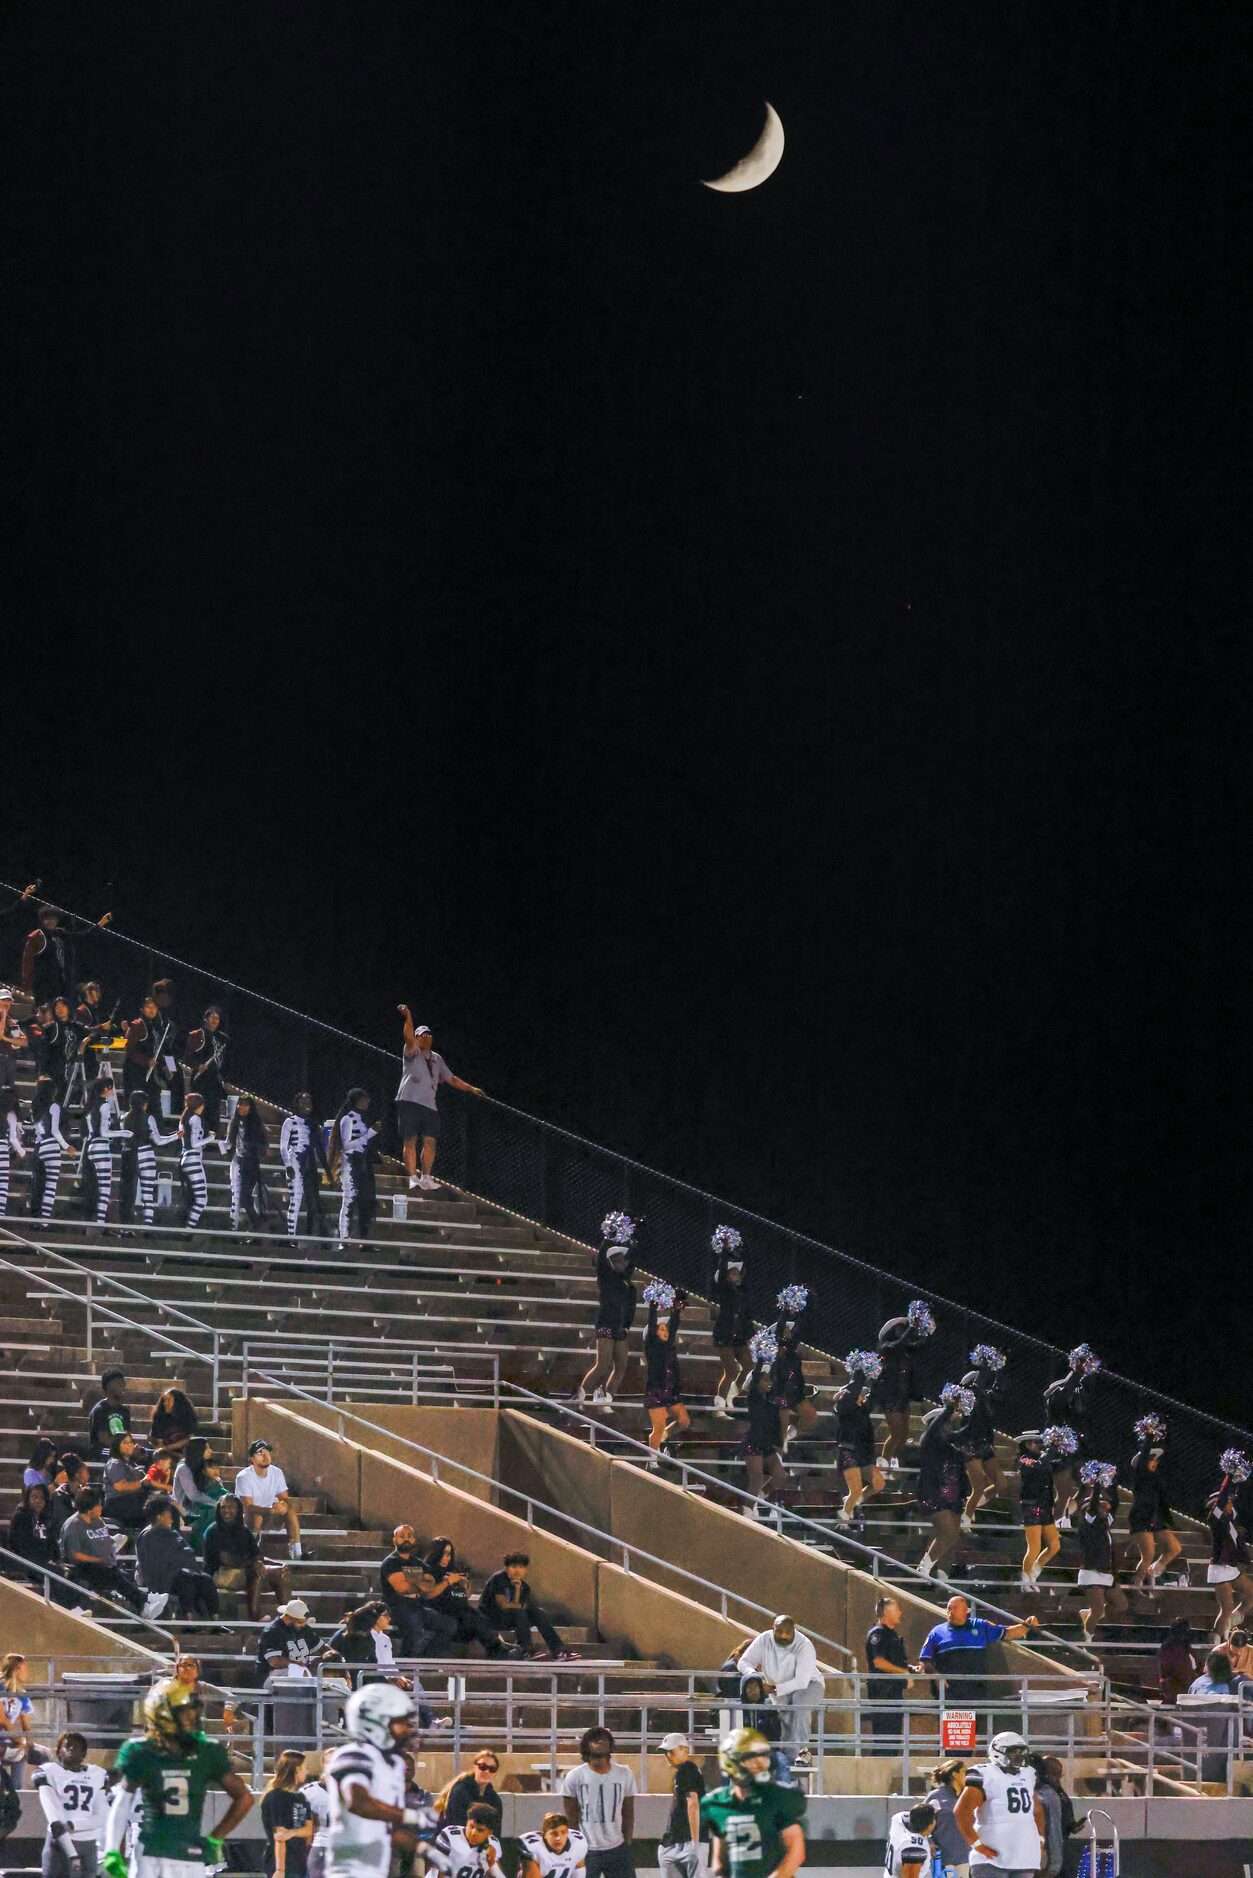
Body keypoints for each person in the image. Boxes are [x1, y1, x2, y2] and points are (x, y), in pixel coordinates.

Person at [102, 1678, 252, 1878]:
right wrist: (215, 1839)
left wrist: (112, 1849)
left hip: (163, 1852)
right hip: (169, 1852)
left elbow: (121, 1803)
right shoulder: (203, 1751)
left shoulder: (141, 1750)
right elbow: (245, 1798)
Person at [324, 1685, 439, 1878]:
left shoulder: (390, 1763)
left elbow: (385, 1826)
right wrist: (410, 1817)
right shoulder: (355, 1754)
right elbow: (358, 1803)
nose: (404, 1729)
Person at [395, 1008, 483, 1192]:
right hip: (409, 1101)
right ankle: (413, 1177)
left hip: (429, 1105)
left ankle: (426, 1177)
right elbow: (408, 1036)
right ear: (417, 1038)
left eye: (429, 1035)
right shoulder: (412, 1051)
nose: (426, 1037)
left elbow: (451, 1079)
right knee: (410, 1140)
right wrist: (409, 1017)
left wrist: (471, 1088)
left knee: (430, 1141)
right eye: (422, 1035)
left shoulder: (437, 1059)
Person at [700, 1728, 806, 1878]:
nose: (760, 1765)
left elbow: (796, 1852)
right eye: (752, 1759)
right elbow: (719, 1861)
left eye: (763, 1757)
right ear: (732, 1761)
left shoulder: (777, 1797)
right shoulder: (717, 1803)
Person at [323, 1602, 436, 1727]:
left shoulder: (368, 1639)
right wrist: (344, 1675)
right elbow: (330, 1657)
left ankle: (416, 1720)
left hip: (363, 1682)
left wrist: (390, 1680)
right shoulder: (344, 1636)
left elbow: (373, 1665)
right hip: (344, 1683)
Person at [736, 1615, 825, 1769]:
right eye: (779, 1632)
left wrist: (774, 1688)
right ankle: (787, 1758)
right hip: (778, 1687)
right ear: (773, 1629)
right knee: (784, 1716)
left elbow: (801, 1681)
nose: (783, 1636)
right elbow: (744, 1662)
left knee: (798, 1706)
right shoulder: (764, 1640)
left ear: (794, 1631)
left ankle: (802, 1754)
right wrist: (755, 1677)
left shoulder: (804, 1645)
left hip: (810, 1684)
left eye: (788, 1632)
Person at [919, 1597, 1040, 1708]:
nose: (950, 1611)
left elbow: (1008, 1633)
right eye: (948, 1608)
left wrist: (1027, 1626)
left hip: (977, 1691)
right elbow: (925, 1659)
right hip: (950, 1692)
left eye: (955, 1608)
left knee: (978, 1728)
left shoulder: (980, 1625)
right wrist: (935, 1675)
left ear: (965, 1611)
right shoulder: (937, 1632)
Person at [953, 1733, 1046, 1876]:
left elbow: (1037, 1811)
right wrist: (976, 1845)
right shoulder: (985, 1773)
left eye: (1021, 1752)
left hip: (1024, 1856)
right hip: (992, 1857)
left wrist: (1039, 1839)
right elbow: (961, 1811)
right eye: (1013, 1752)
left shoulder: (1028, 1774)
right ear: (998, 1752)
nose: (1019, 1756)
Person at [60, 1486, 155, 1617]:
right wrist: (98, 1560)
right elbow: (74, 1554)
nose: (101, 1508)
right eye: (98, 1505)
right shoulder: (73, 1525)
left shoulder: (98, 1521)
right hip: (81, 1568)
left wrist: (111, 1546)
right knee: (113, 1575)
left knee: (123, 1575)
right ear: (88, 1509)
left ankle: (144, 1606)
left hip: (102, 1565)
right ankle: (144, 1602)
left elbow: (104, 1541)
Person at [577, 1214, 638, 1411]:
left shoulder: (629, 1285)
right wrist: (609, 1236)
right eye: (617, 1260)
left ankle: (605, 1397)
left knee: (621, 1367)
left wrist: (627, 1327)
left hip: (620, 1328)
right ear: (611, 1262)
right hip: (605, 1324)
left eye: (623, 1260)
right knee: (602, 1365)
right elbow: (601, 1258)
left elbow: (631, 1308)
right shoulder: (606, 1277)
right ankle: (580, 1397)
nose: (621, 1263)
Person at [34, 1729, 114, 1878]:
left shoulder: (97, 1775)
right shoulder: (48, 1771)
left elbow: (102, 1817)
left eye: (76, 1747)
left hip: (89, 1846)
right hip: (60, 1846)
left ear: (84, 1754)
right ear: (58, 1752)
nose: (71, 1748)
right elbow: (55, 1822)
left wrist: (71, 1825)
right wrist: (71, 1853)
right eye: (67, 1745)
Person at [915, 1386, 974, 1583]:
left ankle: (942, 1574)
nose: (949, 1427)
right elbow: (939, 1428)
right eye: (946, 1424)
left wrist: (973, 1414)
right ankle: (924, 1567)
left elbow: (967, 1432)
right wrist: (950, 1407)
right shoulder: (929, 1440)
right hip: (933, 1493)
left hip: (953, 1496)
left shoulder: (950, 1443)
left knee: (952, 1537)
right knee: (947, 1533)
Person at [561, 1727, 636, 1878]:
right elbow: (571, 1818)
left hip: (617, 1848)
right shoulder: (575, 1777)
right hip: (587, 1850)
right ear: (586, 1746)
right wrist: (576, 1848)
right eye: (595, 1739)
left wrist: (627, 1843)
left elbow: (628, 1812)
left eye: (605, 1738)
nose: (601, 1741)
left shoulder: (624, 1773)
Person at [478, 1552, 580, 1660]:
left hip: (510, 1618)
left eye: (521, 1567)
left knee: (539, 1613)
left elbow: (517, 1606)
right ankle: (526, 1650)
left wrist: (517, 1589)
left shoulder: (524, 1587)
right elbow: (504, 1605)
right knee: (521, 1611)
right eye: (513, 1567)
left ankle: (558, 1650)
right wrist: (520, 1606)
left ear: (525, 1570)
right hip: (490, 1617)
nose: (517, 1570)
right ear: (506, 1568)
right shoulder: (498, 1579)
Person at [204, 1494, 291, 1619]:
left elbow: (257, 1556)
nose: (226, 1511)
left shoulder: (244, 1530)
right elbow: (226, 1560)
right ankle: (255, 1617)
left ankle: (291, 1617)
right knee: (254, 1571)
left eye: (231, 1507)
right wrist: (252, 1563)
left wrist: (280, 1565)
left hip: (242, 1571)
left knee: (281, 1572)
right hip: (220, 1573)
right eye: (223, 1507)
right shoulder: (213, 1531)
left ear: (238, 1509)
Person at [874, 1301, 937, 1471]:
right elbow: (898, 1343)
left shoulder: (906, 1351)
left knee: (903, 1435)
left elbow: (919, 1345)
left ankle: (892, 1459)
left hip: (902, 1396)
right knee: (895, 1434)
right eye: (900, 1328)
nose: (903, 1330)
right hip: (889, 1397)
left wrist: (926, 1331)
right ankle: (883, 1463)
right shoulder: (886, 1347)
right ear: (891, 1332)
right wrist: (912, 1327)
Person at [136, 1494, 220, 1620]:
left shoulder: (172, 1533)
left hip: (180, 1573)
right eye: (168, 1512)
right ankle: (187, 1618)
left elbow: (186, 1552)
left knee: (206, 1579)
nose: (171, 1516)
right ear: (159, 1516)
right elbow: (153, 1563)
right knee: (186, 1580)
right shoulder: (148, 1536)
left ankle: (215, 1621)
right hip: (160, 1578)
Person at [1043, 1346, 1100, 1528]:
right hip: (1061, 1450)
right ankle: (1056, 1524)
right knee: (1064, 1490)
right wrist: (1077, 1370)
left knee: (1087, 1484)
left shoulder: (1074, 1405)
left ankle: (1066, 1514)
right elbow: (1066, 1390)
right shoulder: (1056, 1404)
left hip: (1077, 1448)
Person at [420, 1538, 508, 1656]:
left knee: (477, 1617)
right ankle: (498, 1650)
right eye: (444, 1553)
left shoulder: (452, 1571)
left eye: (449, 1554)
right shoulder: (428, 1571)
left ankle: (499, 1649)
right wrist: (447, 1582)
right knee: (473, 1619)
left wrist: (465, 1587)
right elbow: (428, 1594)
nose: (447, 1557)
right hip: (444, 1615)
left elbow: (464, 1596)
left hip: (463, 1617)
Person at [1128, 1416, 1183, 1590]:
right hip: (1141, 1517)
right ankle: (1137, 1585)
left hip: (1155, 1517)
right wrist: (1149, 1436)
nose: (1155, 1462)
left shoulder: (1153, 1477)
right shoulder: (1140, 1476)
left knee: (1175, 1548)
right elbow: (1144, 1457)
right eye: (1153, 1459)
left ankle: (1153, 1572)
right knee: (1148, 1554)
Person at [381, 1525, 450, 1658]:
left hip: (417, 1607)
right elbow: (402, 1588)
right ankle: (405, 1663)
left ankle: (427, 1658)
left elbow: (431, 1585)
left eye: (409, 1536)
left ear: (414, 1540)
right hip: (395, 1608)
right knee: (415, 1627)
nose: (406, 1539)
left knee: (449, 1624)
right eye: (402, 1536)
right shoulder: (390, 1563)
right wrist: (420, 1582)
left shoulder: (418, 1563)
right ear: (394, 1540)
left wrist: (412, 1581)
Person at [959, 1347, 1007, 1534]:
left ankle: (971, 1504)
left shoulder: (985, 1400)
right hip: (970, 1445)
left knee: (1001, 1484)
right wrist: (986, 1365)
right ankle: (966, 1520)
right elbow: (978, 1386)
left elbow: (996, 1389)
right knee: (978, 1487)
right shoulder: (967, 1401)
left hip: (984, 1444)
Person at [1075, 1472, 1127, 1643]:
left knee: (1121, 1605)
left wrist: (1113, 1482)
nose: (1106, 1506)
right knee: (1097, 1611)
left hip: (1107, 1572)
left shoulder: (1104, 1523)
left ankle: (1089, 1615)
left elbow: (1116, 1503)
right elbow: (1093, 1503)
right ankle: (1087, 1639)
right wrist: (1097, 1483)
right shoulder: (1088, 1521)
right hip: (1091, 1571)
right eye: (1101, 1504)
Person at [864, 1595, 918, 1754]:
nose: (900, 1613)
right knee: (885, 1736)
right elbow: (879, 1662)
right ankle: (879, 1774)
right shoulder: (878, 1633)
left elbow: (891, 1661)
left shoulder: (890, 1634)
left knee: (893, 1735)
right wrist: (903, 1673)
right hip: (883, 1691)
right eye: (897, 1610)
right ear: (887, 1612)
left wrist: (909, 1668)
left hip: (892, 1691)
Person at [834, 1351, 883, 1527]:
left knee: (878, 1483)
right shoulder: (844, 1408)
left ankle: (853, 1500)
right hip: (848, 1451)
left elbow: (875, 1396)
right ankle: (843, 1522)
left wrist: (877, 1377)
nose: (861, 1396)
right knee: (854, 1490)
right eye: (857, 1395)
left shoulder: (862, 1409)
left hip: (863, 1453)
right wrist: (861, 1372)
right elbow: (853, 1388)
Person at [741, 1330, 788, 1514]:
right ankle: (747, 1513)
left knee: (780, 1475)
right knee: (756, 1479)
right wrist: (761, 1356)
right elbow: (757, 1373)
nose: (770, 1382)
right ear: (757, 1382)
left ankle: (762, 1494)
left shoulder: (771, 1399)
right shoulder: (754, 1397)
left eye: (770, 1379)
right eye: (765, 1379)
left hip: (767, 1444)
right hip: (753, 1442)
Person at [643, 1284, 691, 1463]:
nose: (665, 1331)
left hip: (671, 1391)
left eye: (665, 1329)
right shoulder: (651, 1346)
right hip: (656, 1391)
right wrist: (653, 1305)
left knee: (684, 1421)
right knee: (658, 1425)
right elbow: (651, 1320)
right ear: (653, 1333)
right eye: (660, 1329)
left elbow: (674, 1325)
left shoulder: (669, 1345)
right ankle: (652, 1460)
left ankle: (663, 1437)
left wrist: (676, 1311)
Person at [236, 1437, 304, 1558]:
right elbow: (248, 1507)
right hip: (247, 1518)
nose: (265, 1456)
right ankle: (251, 1551)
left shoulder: (277, 1472)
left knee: (291, 1512)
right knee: (257, 1517)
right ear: (252, 1459)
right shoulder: (243, 1477)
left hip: (269, 1515)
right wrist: (269, 1510)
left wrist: (283, 1505)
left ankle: (297, 1552)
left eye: (267, 1452)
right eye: (260, 1453)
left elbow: (285, 1498)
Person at [1016, 1430, 1066, 1594]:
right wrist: (1051, 1449)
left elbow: (1057, 1464)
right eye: (1037, 1443)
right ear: (1027, 1444)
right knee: (1034, 1547)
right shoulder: (1024, 1460)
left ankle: (1033, 1573)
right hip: (1031, 1507)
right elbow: (1037, 1467)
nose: (1040, 1446)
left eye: (1041, 1442)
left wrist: (1063, 1449)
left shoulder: (1043, 1459)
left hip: (1045, 1507)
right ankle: (1024, 1580)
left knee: (1054, 1545)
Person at [119, 1089, 178, 1226]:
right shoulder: (148, 1118)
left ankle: (126, 1225)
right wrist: (176, 1136)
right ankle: (147, 1225)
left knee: (128, 1192)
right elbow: (158, 1141)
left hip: (129, 1154)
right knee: (148, 1194)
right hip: (146, 1154)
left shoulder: (123, 1118)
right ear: (144, 1104)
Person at [711, 1228, 753, 1414]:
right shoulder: (724, 1290)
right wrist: (725, 1251)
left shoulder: (743, 1292)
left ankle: (732, 1394)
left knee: (749, 1368)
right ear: (727, 1277)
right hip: (724, 1334)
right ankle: (719, 1402)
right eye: (732, 1274)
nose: (736, 1276)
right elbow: (721, 1273)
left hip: (740, 1335)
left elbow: (747, 1315)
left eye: (737, 1274)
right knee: (731, 1370)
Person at [1207, 1471, 1253, 1641]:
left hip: (1230, 1568)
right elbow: (1223, 1496)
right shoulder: (1215, 1519)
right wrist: (1228, 1474)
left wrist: (1239, 1480)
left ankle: (1231, 1622)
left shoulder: (1230, 1522)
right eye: (1228, 1502)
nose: (1231, 1505)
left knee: (1251, 1594)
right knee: (1225, 1608)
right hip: (1219, 1568)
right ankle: (1215, 1643)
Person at [79, 1076, 130, 1225]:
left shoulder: (89, 1105)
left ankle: (90, 1220)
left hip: (90, 1146)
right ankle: (100, 1222)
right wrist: (123, 1133)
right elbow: (104, 1132)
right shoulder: (104, 1105)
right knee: (105, 1187)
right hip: (101, 1146)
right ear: (106, 1089)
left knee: (91, 1185)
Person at [771, 1290, 816, 1452]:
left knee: (811, 1416)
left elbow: (801, 1325)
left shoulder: (792, 1355)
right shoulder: (776, 1354)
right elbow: (782, 1324)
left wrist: (804, 1304)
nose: (787, 1333)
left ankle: (791, 1433)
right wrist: (785, 1308)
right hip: (780, 1391)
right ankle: (781, 1444)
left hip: (794, 1390)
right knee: (783, 1412)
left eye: (789, 1331)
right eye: (784, 1331)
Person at [331, 1088, 378, 1242]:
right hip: (351, 1164)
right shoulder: (347, 1120)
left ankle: (364, 1239)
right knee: (349, 1201)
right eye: (365, 1099)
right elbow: (346, 1145)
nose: (368, 1102)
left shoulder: (362, 1119)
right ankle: (344, 1238)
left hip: (363, 1164)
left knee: (366, 1202)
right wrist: (370, 1134)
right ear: (359, 1100)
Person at [281, 1093, 330, 1239]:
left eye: (309, 1102)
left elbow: (320, 1150)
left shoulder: (313, 1125)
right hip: (295, 1162)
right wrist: (288, 1165)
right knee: (295, 1200)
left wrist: (329, 1171)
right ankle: (291, 1237)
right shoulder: (289, 1122)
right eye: (303, 1102)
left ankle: (310, 1236)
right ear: (297, 1104)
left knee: (313, 1203)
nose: (306, 1106)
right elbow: (283, 1147)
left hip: (310, 1166)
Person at [657, 1733, 704, 1878]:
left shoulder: (687, 1770)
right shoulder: (687, 1771)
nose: (668, 1756)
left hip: (684, 1842)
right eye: (666, 1752)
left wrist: (695, 1843)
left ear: (685, 1750)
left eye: (671, 1751)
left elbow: (693, 1805)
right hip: (677, 1841)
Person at [256, 1598, 340, 1679]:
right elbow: (274, 1661)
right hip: (273, 1675)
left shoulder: (304, 1629)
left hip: (301, 1673)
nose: (303, 1625)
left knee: (328, 1673)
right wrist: (298, 1665)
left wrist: (339, 1663)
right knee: (300, 1672)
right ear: (288, 1618)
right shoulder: (273, 1631)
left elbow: (325, 1649)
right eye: (300, 1622)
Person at [263, 1750, 316, 1878]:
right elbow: (280, 1835)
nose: (306, 1772)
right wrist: (280, 1870)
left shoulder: (300, 1797)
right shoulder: (276, 1797)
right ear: (296, 1770)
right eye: (304, 1768)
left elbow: (309, 1829)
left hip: (299, 1862)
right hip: (282, 1864)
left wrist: (292, 1833)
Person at [1027, 1755, 1078, 1878]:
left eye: (1059, 1774)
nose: (1057, 1778)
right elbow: (1051, 1828)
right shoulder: (1046, 1794)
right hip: (1044, 1851)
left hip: (1058, 1846)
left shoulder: (1056, 1792)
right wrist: (1054, 1861)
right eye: (1053, 1774)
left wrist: (1072, 1825)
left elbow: (1059, 1821)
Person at [32, 1074, 74, 1220]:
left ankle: (36, 1218)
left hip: (40, 1146)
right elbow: (55, 1131)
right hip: (52, 1147)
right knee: (51, 1185)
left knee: (38, 1185)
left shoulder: (35, 1106)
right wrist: (66, 1146)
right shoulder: (54, 1106)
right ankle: (44, 1220)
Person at [177, 1091, 222, 1229]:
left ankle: (186, 1225)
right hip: (193, 1159)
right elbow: (195, 1143)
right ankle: (189, 1228)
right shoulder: (195, 1119)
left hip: (185, 1158)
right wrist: (210, 1138)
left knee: (192, 1197)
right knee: (202, 1199)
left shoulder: (183, 1118)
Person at [227, 1094, 270, 1230]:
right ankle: (234, 1229)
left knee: (245, 1196)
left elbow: (262, 1145)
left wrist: (249, 1145)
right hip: (236, 1161)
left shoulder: (255, 1123)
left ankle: (258, 1226)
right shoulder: (234, 1123)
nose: (242, 1107)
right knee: (236, 1197)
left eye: (246, 1104)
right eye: (240, 1104)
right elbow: (230, 1143)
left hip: (250, 1164)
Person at [184, 1007, 229, 1135]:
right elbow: (187, 1057)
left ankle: (211, 1139)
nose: (215, 1020)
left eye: (217, 1018)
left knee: (213, 1110)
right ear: (205, 1019)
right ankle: (195, 1137)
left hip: (214, 1080)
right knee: (198, 1109)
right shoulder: (196, 1035)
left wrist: (223, 1077)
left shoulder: (223, 1038)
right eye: (212, 1017)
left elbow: (225, 1061)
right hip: (200, 1079)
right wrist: (198, 1066)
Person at [7, 1481, 60, 1590]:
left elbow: (52, 1543)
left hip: (45, 1563)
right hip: (26, 1563)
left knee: (71, 1575)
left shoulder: (47, 1519)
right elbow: (16, 1544)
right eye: (34, 1497)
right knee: (56, 1577)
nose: (38, 1501)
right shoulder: (20, 1516)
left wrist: (57, 1559)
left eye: (41, 1498)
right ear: (28, 1498)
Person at [433, 1802, 504, 1878]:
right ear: (467, 1822)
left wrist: (491, 1864)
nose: (473, 1833)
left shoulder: (492, 1844)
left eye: (480, 1830)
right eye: (472, 1826)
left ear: (489, 1833)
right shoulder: (450, 1836)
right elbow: (437, 1872)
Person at [924, 1761, 970, 1878]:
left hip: (967, 1857)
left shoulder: (969, 1796)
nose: (968, 1775)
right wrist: (929, 1841)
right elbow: (921, 1821)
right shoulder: (936, 1796)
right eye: (965, 1772)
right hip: (944, 1858)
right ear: (955, 1774)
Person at [439, 1754, 501, 1831]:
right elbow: (456, 1825)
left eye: (492, 1769)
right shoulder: (460, 1792)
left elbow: (496, 1832)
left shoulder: (495, 1800)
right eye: (482, 1767)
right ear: (474, 1767)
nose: (487, 1771)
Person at [104, 1432, 150, 1529]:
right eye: (125, 1442)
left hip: (133, 1501)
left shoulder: (130, 1463)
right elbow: (120, 1486)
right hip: (119, 1504)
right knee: (155, 1508)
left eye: (131, 1442)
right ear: (117, 1446)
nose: (129, 1445)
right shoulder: (115, 1463)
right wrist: (143, 1482)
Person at [520, 1813, 589, 1878]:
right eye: (553, 1833)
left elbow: (579, 1868)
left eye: (563, 1832)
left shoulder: (577, 1843)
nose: (558, 1838)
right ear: (544, 1835)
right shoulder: (532, 1847)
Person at [87, 1369, 131, 1458]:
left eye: (124, 1383)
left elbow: (127, 1436)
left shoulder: (125, 1411)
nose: (123, 1387)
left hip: (119, 1452)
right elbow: (104, 1439)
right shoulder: (100, 1410)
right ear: (109, 1386)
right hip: (102, 1453)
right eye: (119, 1383)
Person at [883, 1802, 936, 1875]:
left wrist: (928, 1839)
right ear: (929, 1825)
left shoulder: (899, 1819)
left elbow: (917, 1818)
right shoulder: (915, 1847)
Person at [1156, 1618, 1199, 1705]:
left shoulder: (1185, 1648)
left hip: (1182, 1688)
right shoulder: (1172, 1649)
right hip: (1175, 1690)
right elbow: (1183, 1674)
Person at [0, 1083, 26, 1215]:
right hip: (2, 1148)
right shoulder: (10, 1114)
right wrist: (22, 1152)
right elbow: (13, 1139)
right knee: (2, 1183)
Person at [150, 1388, 199, 1456]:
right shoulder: (159, 1417)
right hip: (165, 1454)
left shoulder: (189, 1416)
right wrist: (169, 1452)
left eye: (169, 1400)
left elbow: (190, 1437)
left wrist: (171, 1449)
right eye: (164, 1400)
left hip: (185, 1454)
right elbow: (158, 1442)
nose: (165, 1403)